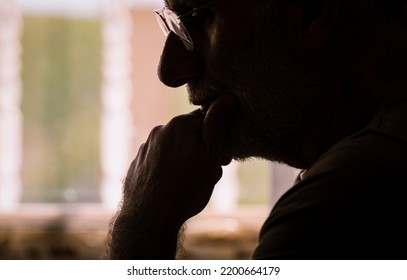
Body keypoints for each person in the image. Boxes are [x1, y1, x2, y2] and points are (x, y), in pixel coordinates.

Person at [104, 0, 407, 259]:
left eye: (201, 17)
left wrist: (143, 227)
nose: (170, 70)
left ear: (311, 13)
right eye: (172, 25)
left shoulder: (332, 208)